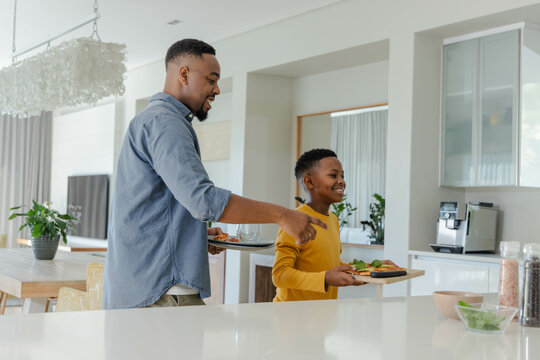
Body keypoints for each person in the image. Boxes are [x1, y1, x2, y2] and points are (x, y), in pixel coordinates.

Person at [103, 39, 326, 310]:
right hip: (162, 289)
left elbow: (159, 206)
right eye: (211, 79)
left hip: (145, 285)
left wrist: (197, 235)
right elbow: (204, 201)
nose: (217, 89)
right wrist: (283, 215)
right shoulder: (165, 124)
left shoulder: (152, 120)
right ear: (184, 74)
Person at [272, 148, 366, 302]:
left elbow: (330, 265)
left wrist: (370, 270)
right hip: (291, 319)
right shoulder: (294, 221)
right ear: (309, 182)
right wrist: (325, 278)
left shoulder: (333, 220)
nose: (341, 181)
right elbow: (279, 275)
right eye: (333, 175)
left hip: (323, 316)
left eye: (342, 176)